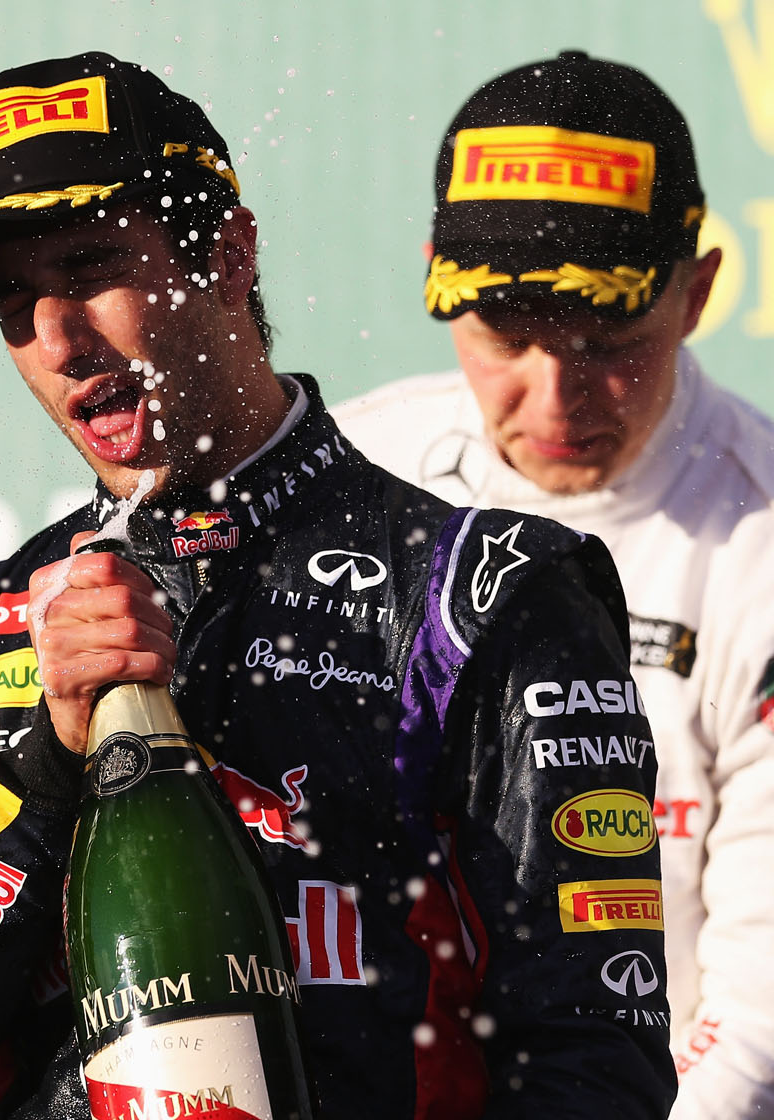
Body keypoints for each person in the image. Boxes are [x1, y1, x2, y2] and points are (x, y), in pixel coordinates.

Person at [0, 51, 673, 1119]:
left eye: (87, 269)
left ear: (229, 253)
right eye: (13, 303)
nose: (59, 341)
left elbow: (595, 1068)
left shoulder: (486, 596)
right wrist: (39, 768)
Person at [333, 50, 774, 1120]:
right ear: (439, 284)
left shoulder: (758, 537)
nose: (557, 394)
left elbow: (758, 1003)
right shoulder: (354, 475)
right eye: (506, 338)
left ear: (698, 290)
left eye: (611, 339)